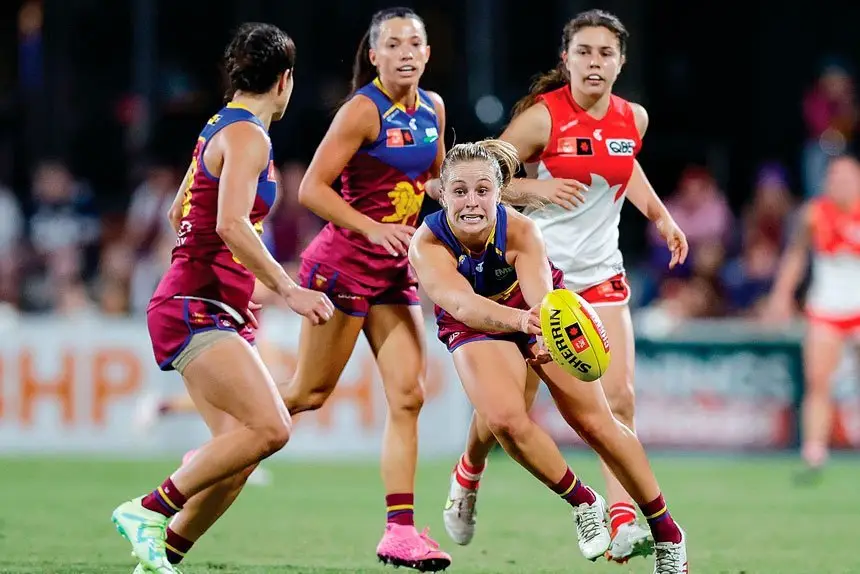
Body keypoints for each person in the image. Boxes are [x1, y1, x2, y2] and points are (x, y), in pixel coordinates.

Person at [439, 10, 689, 565]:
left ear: (621, 62)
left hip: (601, 275)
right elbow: (487, 176)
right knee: (508, 414)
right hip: (536, 280)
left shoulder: (635, 119)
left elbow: (626, 166)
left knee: (618, 398)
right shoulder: (540, 119)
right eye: (584, 52)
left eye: (605, 53)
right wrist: (533, 191)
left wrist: (661, 216)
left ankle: (623, 518)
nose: (595, 62)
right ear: (566, 60)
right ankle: (468, 471)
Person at [111, 23, 334, 574]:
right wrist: (288, 288)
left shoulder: (219, 127)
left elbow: (177, 212)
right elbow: (232, 224)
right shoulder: (249, 137)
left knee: (237, 454)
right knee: (273, 427)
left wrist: (228, 274)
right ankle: (148, 509)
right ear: (285, 81)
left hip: (207, 301)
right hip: (198, 306)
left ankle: (157, 560)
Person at [411, 139, 688, 573]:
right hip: (475, 320)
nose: (471, 202)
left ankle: (669, 535)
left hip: (538, 311)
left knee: (597, 423)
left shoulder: (522, 230)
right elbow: (463, 306)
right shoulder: (427, 244)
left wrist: (542, 334)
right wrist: (522, 325)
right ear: (442, 195)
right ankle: (583, 502)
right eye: (459, 191)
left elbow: (541, 300)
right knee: (504, 417)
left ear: (498, 193)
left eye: (482, 190)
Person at [278, 7, 450, 571]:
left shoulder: (433, 109)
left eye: (415, 43)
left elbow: (435, 183)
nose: (405, 51)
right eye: (393, 43)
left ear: (427, 54)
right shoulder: (362, 110)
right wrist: (374, 227)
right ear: (374, 55)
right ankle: (224, 441)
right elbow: (311, 188)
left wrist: (483, 205)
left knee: (409, 395)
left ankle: (399, 532)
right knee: (307, 394)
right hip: (344, 265)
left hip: (393, 271)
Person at [765, 155, 860, 481]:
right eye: (835, 178)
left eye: (847, 178)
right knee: (818, 381)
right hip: (826, 309)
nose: (841, 184)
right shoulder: (814, 214)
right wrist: (781, 294)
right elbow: (796, 255)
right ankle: (814, 452)